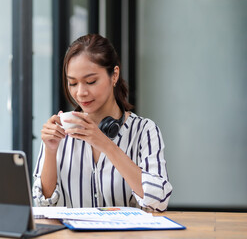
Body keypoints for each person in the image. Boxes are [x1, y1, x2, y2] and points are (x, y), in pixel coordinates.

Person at [33, 34, 172, 211]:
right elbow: (43, 204)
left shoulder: (145, 131)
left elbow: (158, 201)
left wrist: (107, 145)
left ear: (114, 75)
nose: (80, 93)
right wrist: (51, 151)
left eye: (90, 81)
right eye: (73, 83)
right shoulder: (59, 130)